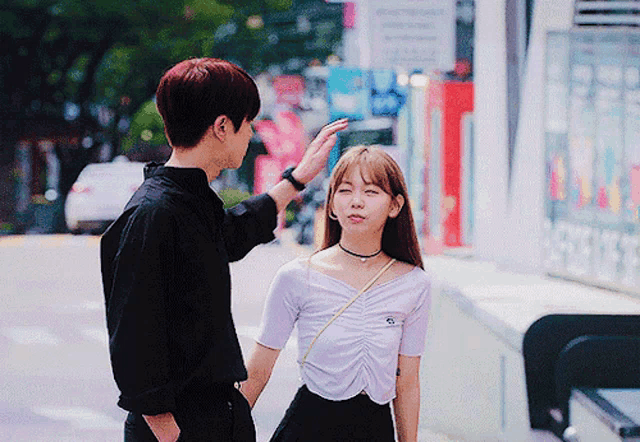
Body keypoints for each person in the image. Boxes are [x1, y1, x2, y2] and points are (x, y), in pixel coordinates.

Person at [100, 57, 348, 442]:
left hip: (217, 415)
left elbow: (233, 231)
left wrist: (297, 178)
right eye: (247, 124)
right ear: (221, 127)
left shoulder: (189, 201)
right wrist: (171, 436)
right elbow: (134, 339)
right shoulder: (154, 213)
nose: (250, 135)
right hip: (182, 425)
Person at [241, 145, 432, 442]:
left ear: (395, 206)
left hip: (375, 432)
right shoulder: (296, 276)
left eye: (371, 192)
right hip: (306, 431)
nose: (356, 202)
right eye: (345, 191)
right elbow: (257, 372)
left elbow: (406, 382)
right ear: (330, 205)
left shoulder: (413, 283)